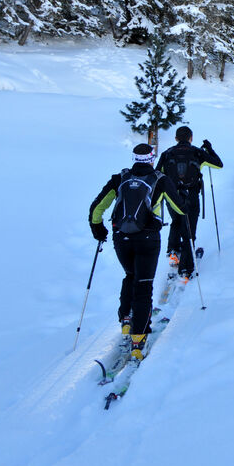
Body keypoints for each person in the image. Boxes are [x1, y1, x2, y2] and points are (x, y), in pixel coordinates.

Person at [89, 143, 185, 360]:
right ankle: (138, 339)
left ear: (134, 158)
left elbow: (97, 208)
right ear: (152, 158)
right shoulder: (160, 180)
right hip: (148, 238)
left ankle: (126, 319)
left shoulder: (120, 178)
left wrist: (98, 228)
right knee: (144, 285)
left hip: (121, 237)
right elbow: (179, 208)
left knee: (130, 275)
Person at [156, 126, 223, 280]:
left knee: (176, 220)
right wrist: (210, 149)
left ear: (176, 138)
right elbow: (219, 164)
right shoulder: (198, 153)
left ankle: (173, 250)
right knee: (189, 229)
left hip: (172, 197)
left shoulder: (167, 153)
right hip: (191, 196)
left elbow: (158, 173)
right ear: (191, 138)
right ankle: (186, 268)